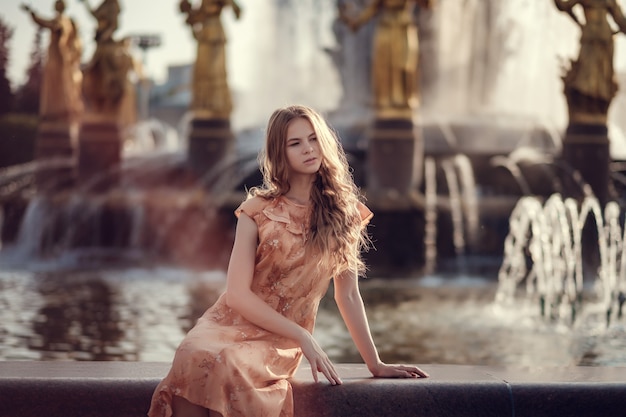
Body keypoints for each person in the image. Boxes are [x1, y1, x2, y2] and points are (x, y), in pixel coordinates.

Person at [147, 105, 429, 417]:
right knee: (192, 353)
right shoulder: (256, 210)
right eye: (295, 143)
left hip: (279, 340)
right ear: (280, 153)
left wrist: (375, 364)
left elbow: (347, 294)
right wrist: (303, 335)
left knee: (228, 364)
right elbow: (237, 294)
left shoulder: (345, 213)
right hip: (230, 323)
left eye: (313, 139)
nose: (308, 149)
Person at [339, 0, 432, 119]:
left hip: (404, 28)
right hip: (386, 30)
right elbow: (371, 9)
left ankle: (405, 103)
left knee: (406, 65)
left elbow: (428, 5)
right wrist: (354, 21)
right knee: (384, 67)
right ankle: (384, 104)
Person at [554, 0, 626, 123]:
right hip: (600, 38)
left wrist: (577, 21)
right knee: (587, 77)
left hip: (598, 38)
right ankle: (591, 105)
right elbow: (622, 23)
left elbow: (564, 6)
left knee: (597, 78)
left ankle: (593, 105)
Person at [179, 0, 242, 118]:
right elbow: (195, 18)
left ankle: (218, 105)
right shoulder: (203, 4)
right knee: (202, 72)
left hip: (215, 36)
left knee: (216, 72)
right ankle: (203, 105)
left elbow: (236, 10)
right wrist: (188, 11)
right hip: (204, 38)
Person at [21, 0, 81, 122]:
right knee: (59, 83)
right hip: (61, 55)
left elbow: (44, 23)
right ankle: (59, 110)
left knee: (56, 83)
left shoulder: (60, 20)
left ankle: (57, 111)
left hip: (57, 55)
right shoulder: (67, 21)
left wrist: (32, 13)